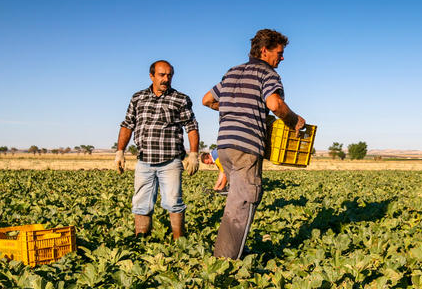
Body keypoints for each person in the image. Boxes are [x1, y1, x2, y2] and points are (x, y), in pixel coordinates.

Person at [202, 29, 305, 259]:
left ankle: (235, 249)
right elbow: (275, 105)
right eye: (279, 52)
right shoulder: (267, 74)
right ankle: (226, 262)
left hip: (225, 146)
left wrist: (234, 108)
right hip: (246, 146)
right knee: (245, 200)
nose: (282, 57)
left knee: (236, 199)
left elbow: (207, 100)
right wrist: (294, 120)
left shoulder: (233, 71)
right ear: (264, 50)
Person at [115, 60, 200, 239]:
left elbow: (191, 126)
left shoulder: (180, 99)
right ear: (152, 76)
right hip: (144, 160)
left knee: (173, 202)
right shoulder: (137, 98)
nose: (166, 79)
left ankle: (180, 242)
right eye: (162, 75)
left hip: (171, 160)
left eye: (169, 75)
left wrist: (193, 154)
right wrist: (120, 151)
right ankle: (141, 241)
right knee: (141, 203)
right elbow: (127, 124)